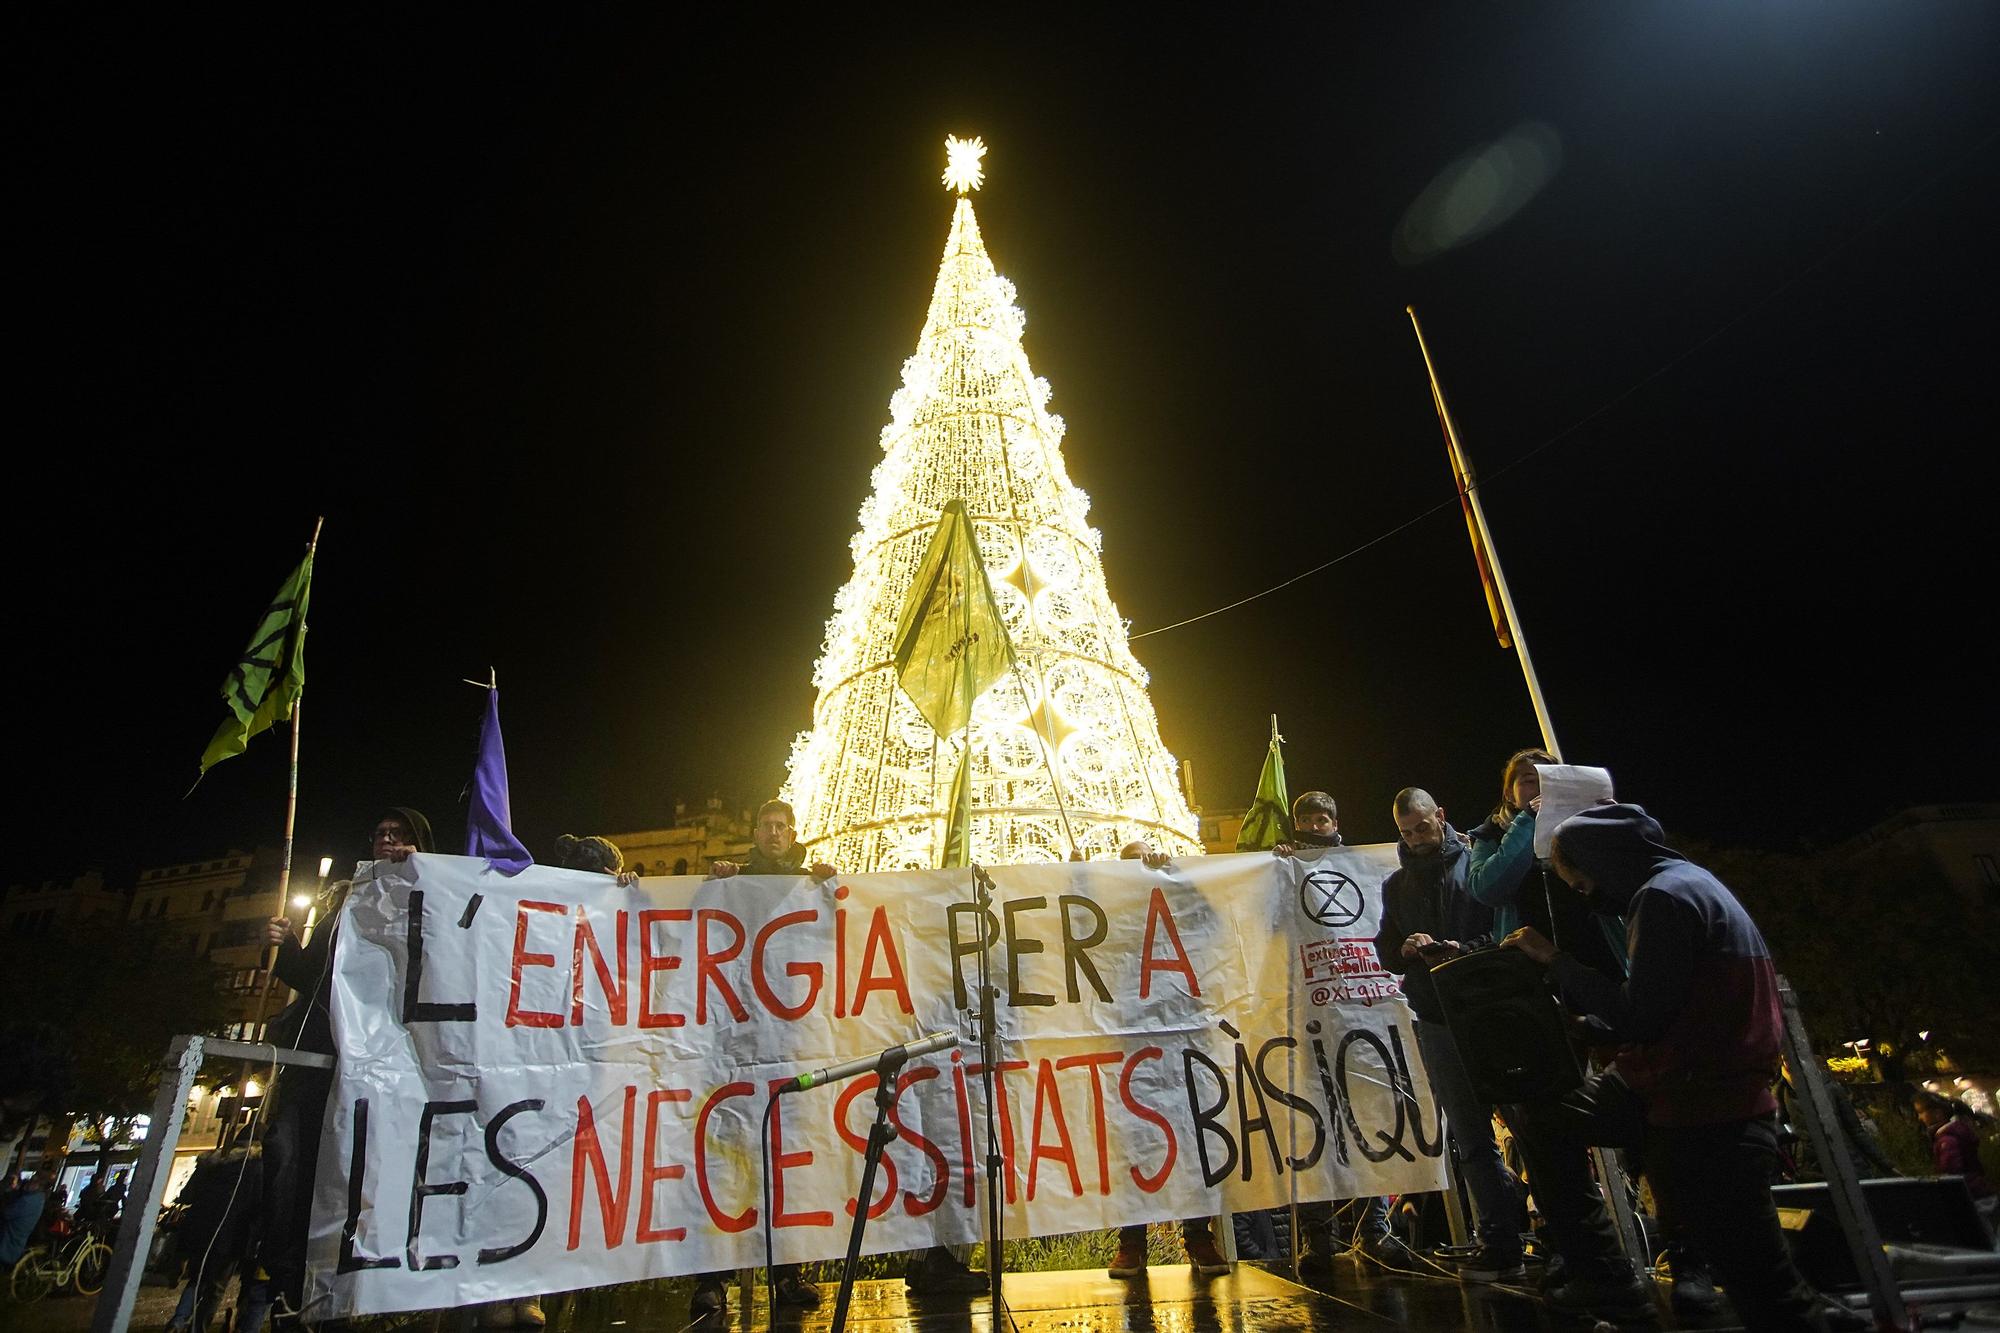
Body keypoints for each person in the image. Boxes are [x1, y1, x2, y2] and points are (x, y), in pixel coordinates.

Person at [1501, 803, 1826, 1329]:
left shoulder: (1661, 898)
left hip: (1706, 1100)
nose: (1586, 896)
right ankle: (1603, 1274)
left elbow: (1641, 1014)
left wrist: (1556, 962)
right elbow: (1677, 1004)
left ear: (1604, 862)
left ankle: (1604, 1275)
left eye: (1581, 883)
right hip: (1692, 1086)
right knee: (1544, 1120)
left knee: (1769, 1292)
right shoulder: (1689, 882)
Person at [259, 807, 434, 1324]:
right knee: (289, 1156)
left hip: (391, 1063)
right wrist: (285, 944)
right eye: (380, 831)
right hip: (322, 1054)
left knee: (370, 1170)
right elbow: (310, 974)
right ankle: (288, 1278)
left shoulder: (436, 896)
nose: (387, 839)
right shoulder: (345, 896)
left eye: (400, 834)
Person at [1371, 787, 1525, 1283]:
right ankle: (1501, 1239)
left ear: (1440, 815)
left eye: (1422, 827)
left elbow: (1502, 931)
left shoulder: (1475, 867)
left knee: (1526, 1125)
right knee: (1469, 1135)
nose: (1417, 838)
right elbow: (1386, 951)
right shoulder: (1397, 886)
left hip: (1490, 1012)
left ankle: (1533, 1228)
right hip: (1436, 1017)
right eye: (1407, 832)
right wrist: (1408, 949)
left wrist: (1465, 947)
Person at [1269, 790, 1405, 1272]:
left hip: (1362, 1017)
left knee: (1370, 1122)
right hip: (1306, 1018)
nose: (1314, 825)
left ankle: (1374, 1229)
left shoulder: (1362, 867)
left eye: (1322, 818)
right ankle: (1318, 1237)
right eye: (1305, 818)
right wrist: (1276, 866)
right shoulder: (1280, 869)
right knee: (1313, 1129)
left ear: (1334, 821)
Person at [1108, 839, 1230, 1280]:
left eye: (1144, 860)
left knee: (1195, 1138)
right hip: (1131, 1046)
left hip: (1182, 1039)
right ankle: (1132, 1242)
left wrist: (1174, 875)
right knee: (1137, 1143)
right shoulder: (1110, 911)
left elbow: (1210, 923)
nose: (1139, 869)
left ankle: (1198, 1237)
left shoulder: (1177, 897)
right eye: (1130, 865)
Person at [163, 1145, 262, 1333]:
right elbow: (257, 1202)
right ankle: (197, 1327)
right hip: (231, 1234)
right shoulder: (254, 1166)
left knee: (198, 1279)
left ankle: (178, 1320)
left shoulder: (213, 1162)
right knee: (215, 1287)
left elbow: (187, 1195)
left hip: (199, 1231)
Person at [1916, 1092, 1994, 1224]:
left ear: (1938, 1113)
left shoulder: (1947, 1140)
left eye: (1921, 1112)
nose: (1920, 1117)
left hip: (1971, 1196)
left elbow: (1951, 1171)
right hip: (1980, 1192)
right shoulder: (1954, 1133)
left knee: (1984, 1237)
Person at [0, 1172, 46, 1265]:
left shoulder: (27, 1201)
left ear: (37, 1185)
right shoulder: (39, 1197)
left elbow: (7, 1213)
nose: (29, 1183)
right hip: (20, 1235)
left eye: (32, 1182)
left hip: (11, 1235)